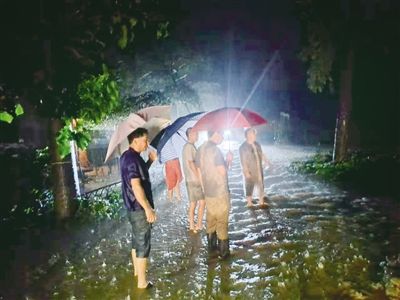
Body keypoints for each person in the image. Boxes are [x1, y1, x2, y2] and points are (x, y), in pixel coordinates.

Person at [120, 127, 157, 289]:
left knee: (136, 241)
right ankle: (142, 283)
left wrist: (149, 161)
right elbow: (136, 186)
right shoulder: (132, 159)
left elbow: (138, 177)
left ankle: (137, 273)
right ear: (135, 139)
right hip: (139, 208)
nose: (147, 143)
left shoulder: (128, 157)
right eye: (144, 140)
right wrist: (148, 208)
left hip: (132, 208)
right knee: (143, 243)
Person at [196, 130, 233, 259]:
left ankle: (211, 250)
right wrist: (228, 161)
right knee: (222, 222)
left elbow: (199, 171)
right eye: (221, 134)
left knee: (210, 220)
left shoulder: (200, 149)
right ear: (215, 134)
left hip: (208, 192)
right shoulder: (216, 151)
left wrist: (204, 189)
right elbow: (222, 172)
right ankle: (224, 255)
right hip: (220, 192)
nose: (222, 137)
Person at [239, 127, 271, 207]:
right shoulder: (243, 147)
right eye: (249, 134)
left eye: (253, 133)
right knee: (249, 186)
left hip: (258, 168)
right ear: (246, 135)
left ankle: (261, 202)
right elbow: (243, 161)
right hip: (249, 170)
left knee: (261, 185)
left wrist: (267, 161)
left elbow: (261, 154)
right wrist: (246, 172)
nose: (251, 135)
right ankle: (249, 203)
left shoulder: (257, 144)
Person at [182, 127, 205, 232]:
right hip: (194, 180)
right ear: (190, 134)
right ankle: (198, 225)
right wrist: (200, 178)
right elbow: (191, 164)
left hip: (191, 180)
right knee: (202, 202)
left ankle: (192, 225)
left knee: (194, 203)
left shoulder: (190, 146)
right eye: (196, 133)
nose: (198, 134)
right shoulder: (189, 147)